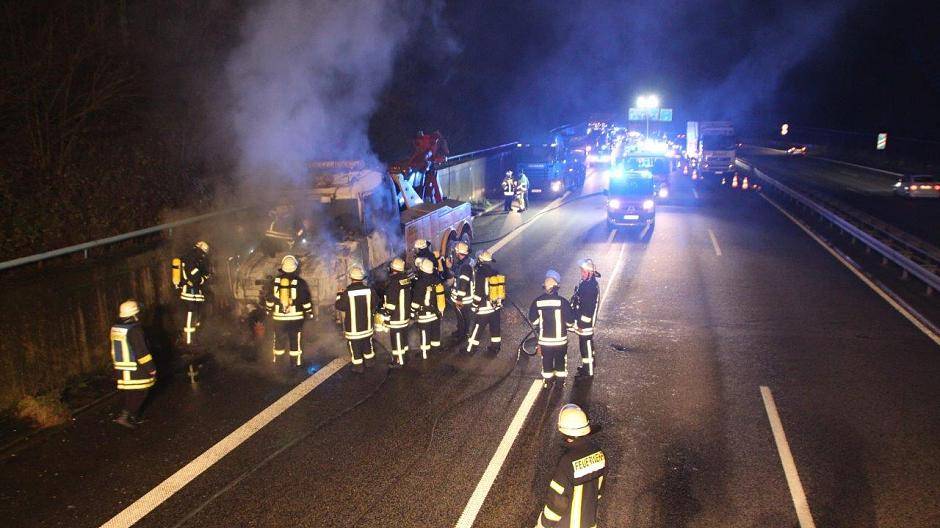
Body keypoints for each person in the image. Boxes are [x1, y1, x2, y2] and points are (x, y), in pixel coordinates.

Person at [536, 404, 606, 527]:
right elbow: (599, 491)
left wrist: (543, 524)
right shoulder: (598, 453)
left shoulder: (567, 462)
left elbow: (557, 503)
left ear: (564, 432)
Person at [110, 300, 156, 429]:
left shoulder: (116, 328)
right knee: (141, 392)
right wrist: (151, 368)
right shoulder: (134, 330)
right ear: (134, 314)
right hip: (135, 368)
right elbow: (141, 352)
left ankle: (133, 416)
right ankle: (124, 417)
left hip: (122, 367)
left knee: (131, 392)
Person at [264, 255, 314, 366]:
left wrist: (268, 310)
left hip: (279, 318)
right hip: (296, 318)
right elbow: (306, 300)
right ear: (295, 268)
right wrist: (309, 312)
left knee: (279, 340)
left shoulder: (274, 282)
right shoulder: (300, 282)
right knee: (295, 341)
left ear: (282, 267)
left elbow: (269, 299)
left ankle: (278, 363)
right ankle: (295, 363)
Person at [529, 270, 575, 388]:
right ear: (557, 287)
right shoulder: (563, 302)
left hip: (545, 341)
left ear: (544, 286)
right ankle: (560, 382)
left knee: (547, 361)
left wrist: (541, 325)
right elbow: (570, 322)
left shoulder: (537, 302)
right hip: (560, 340)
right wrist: (566, 326)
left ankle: (548, 382)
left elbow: (533, 320)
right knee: (560, 360)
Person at [335, 265, 377, 370]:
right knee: (368, 345)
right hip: (367, 327)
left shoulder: (347, 292)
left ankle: (358, 367)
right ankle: (370, 363)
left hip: (354, 330)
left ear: (351, 277)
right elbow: (375, 303)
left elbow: (340, 306)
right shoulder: (369, 290)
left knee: (355, 348)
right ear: (362, 278)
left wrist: (339, 294)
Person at [173, 241, 211, 346]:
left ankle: (194, 338)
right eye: (203, 253)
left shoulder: (193, 258)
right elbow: (194, 276)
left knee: (196, 316)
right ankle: (189, 342)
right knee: (190, 315)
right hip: (189, 292)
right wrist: (203, 278)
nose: (203, 255)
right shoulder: (191, 259)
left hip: (194, 292)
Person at [466, 251, 504, 355]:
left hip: (484, 308)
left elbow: (478, 292)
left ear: (480, 260)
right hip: (495, 306)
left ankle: (470, 349)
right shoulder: (495, 272)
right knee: (495, 329)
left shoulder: (480, 273)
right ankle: (495, 348)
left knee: (477, 328)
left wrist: (474, 306)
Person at [571, 259, 600, 378]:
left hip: (585, 324)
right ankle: (587, 366)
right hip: (583, 322)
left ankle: (588, 371)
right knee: (585, 345)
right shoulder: (587, 284)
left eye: (584, 272)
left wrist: (581, 324)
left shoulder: (590, 288)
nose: (582, 274)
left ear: (590, 273)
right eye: (581, 271)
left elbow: (588, 310)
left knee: (585, 346)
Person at [411, 258, 445, 358]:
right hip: (436, 313)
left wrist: (412, 312)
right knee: (435, 333)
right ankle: (435, 351)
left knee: (425, 334)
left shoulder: (420, 282)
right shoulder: (436, 279)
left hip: (424, 315)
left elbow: (416, 301)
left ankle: (425, 354)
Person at [383, 258, 412, 367]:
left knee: (397, 339)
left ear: (393, 269)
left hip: (396, 316)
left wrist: (387, 315)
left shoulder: (393, 282)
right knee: (403, 337)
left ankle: (399, 361)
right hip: (405, 315)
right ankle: (405, 356)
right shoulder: (406, 279)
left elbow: (391, 302)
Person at [448, 241, 474, 341]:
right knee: (461, 317)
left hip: (464, 299)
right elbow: (457, 273)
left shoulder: (465, 266)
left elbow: (463, 284)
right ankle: (460, 331)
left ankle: (463, 335)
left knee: (463, 317)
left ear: (458, 253)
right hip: (463, 297)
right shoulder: (465, 262)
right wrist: (451, 267)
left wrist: (459, 299)